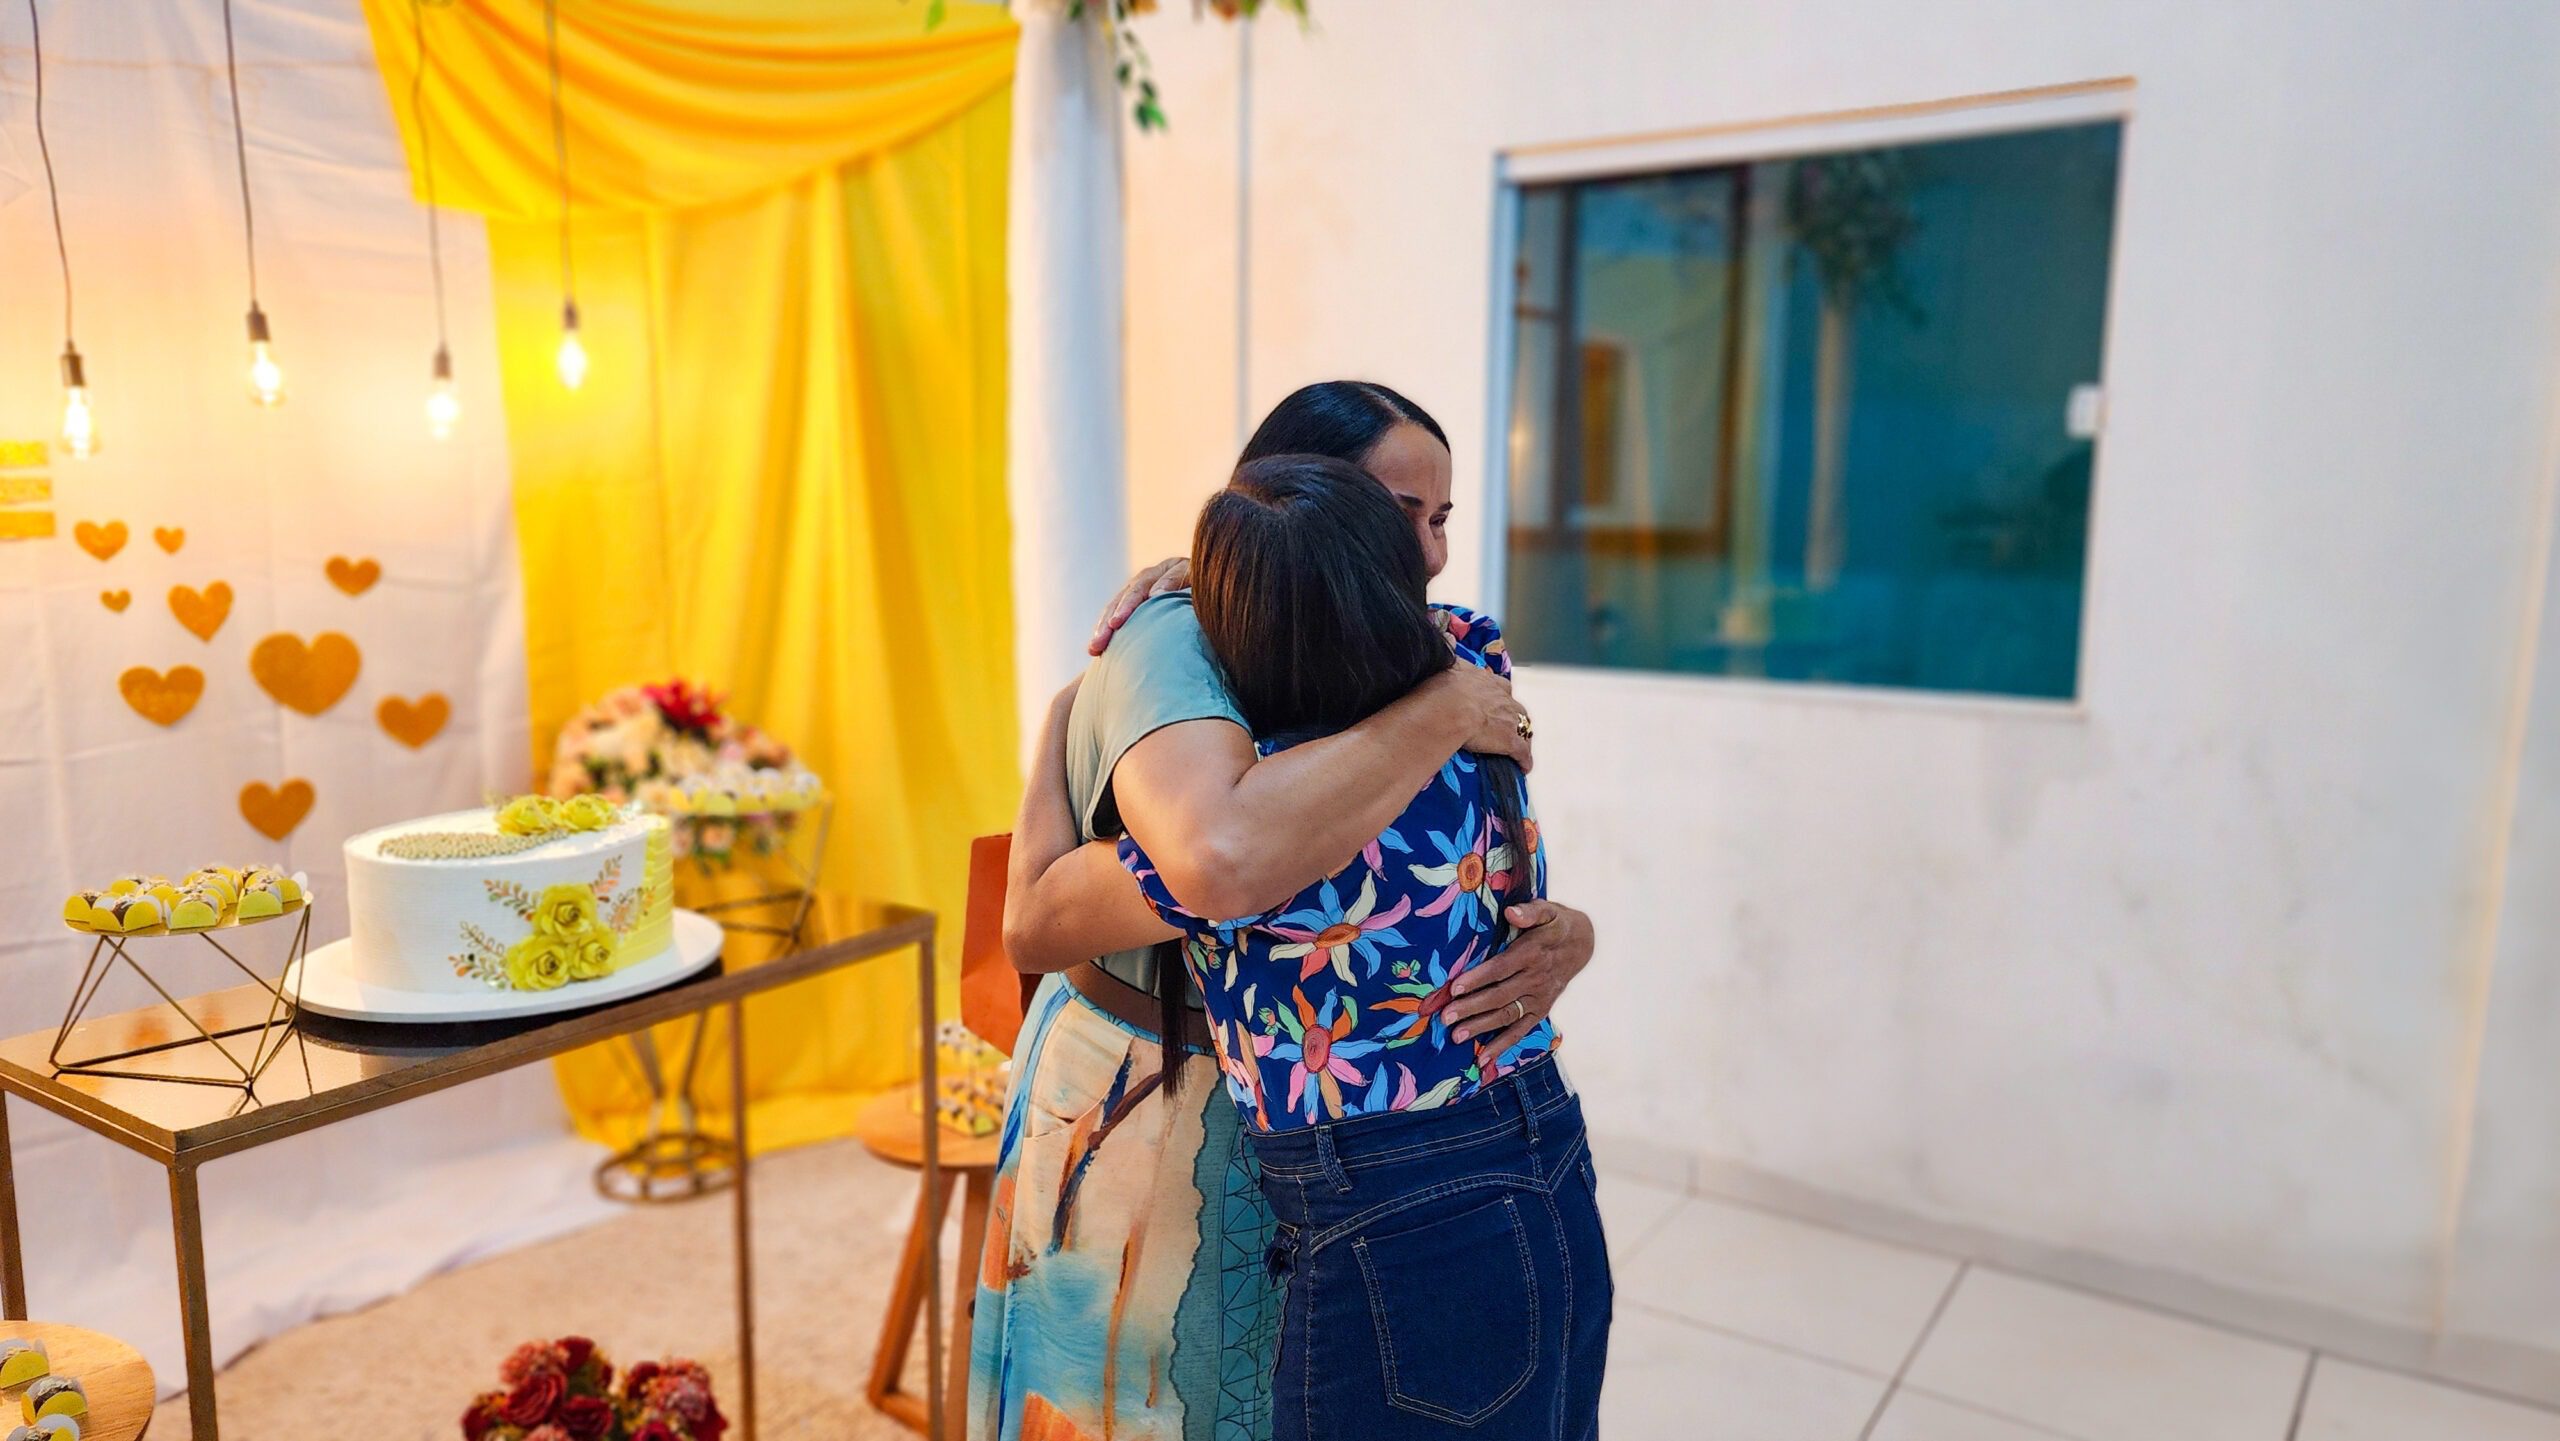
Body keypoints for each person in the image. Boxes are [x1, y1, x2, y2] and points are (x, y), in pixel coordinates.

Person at [968, 383, 1600, 1441]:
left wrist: (1562, 931)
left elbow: (1468, 863)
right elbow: (1165, 879)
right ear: (1291, 490)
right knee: (1142, 1398)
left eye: (1440, 520)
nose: (1431, 556)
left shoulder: (1407, 656)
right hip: (1165, 1101)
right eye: (1401, 513)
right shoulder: (1186, 649)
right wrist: (1065, 716)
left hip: (1339, 1130)